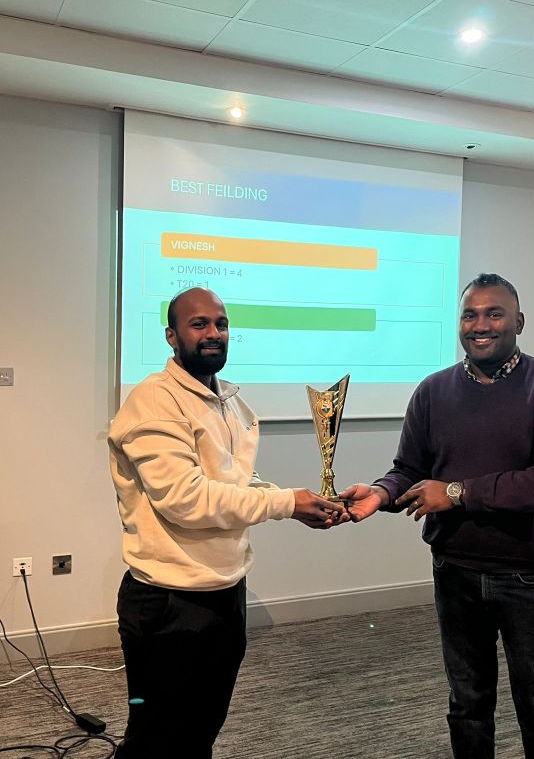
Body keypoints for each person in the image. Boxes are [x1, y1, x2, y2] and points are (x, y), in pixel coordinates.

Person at [342, 273, 534, 759]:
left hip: (525, 574)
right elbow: (409, 469)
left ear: (519, 322)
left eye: (494, 313)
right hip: (453, 570)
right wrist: (381, 492)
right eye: (469, 315)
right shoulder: (433, 391)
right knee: (468, 704)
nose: (480, 325)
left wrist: (456, 492)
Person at [108, 287, 346, 758]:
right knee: (156, 740)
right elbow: (185, 500)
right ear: (171, 336)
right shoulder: (153, 401)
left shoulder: (230, 401)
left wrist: (306, 502)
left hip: (225, 591)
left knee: (201, 731)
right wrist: (286, 503)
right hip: (168, 602)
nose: (213, 333)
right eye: (199, 324)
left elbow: (237, 482)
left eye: (221, 323)